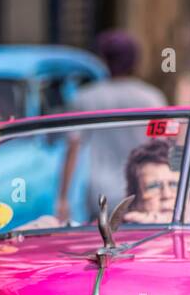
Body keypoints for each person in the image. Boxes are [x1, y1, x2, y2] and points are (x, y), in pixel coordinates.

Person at [59, 30, 167, 222]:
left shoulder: (85, 98)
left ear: (104, 60)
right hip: (142, 187)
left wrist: (63, 198)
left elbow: (73, 148)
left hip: (100, 191)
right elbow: (162, 147)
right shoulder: (151, 98)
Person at [122, 139, 181, 225]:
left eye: (174, 185)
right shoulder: (108, 233)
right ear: (134, 202)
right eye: (154, 186)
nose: (167, 195)